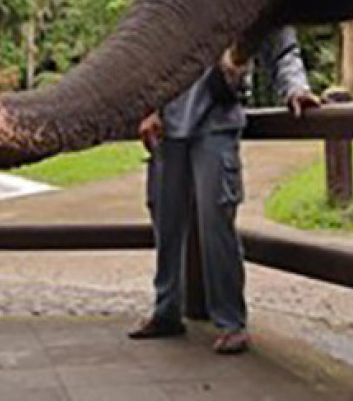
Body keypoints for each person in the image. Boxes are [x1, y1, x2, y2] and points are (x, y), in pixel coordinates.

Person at [129, 27, 319, 354]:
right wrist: (148, 108)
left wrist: (295, 88)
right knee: (166, 222)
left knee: (216, 222)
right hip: (165, 129)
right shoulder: (174, 2)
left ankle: (231, 322)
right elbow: (150, 52)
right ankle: (166, 310)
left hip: (216, 123)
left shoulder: (246, 0)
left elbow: (281, 46)